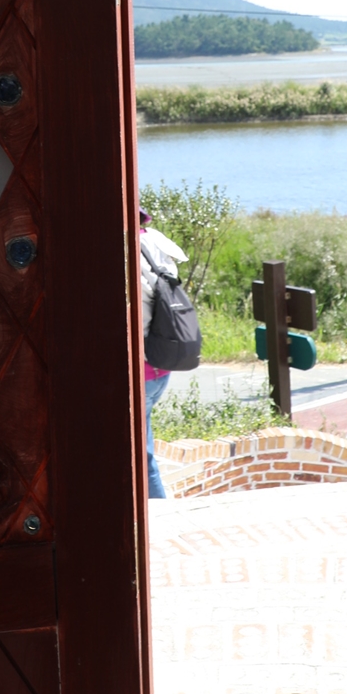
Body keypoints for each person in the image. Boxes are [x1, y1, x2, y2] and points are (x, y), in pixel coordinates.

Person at [139, 204, 187, 499]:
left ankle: (159, 511)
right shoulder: (156, 244)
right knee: (142, 448)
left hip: (142, 370)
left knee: (141, 457)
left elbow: (137, 314)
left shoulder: (130, 254)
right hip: (160, 366)